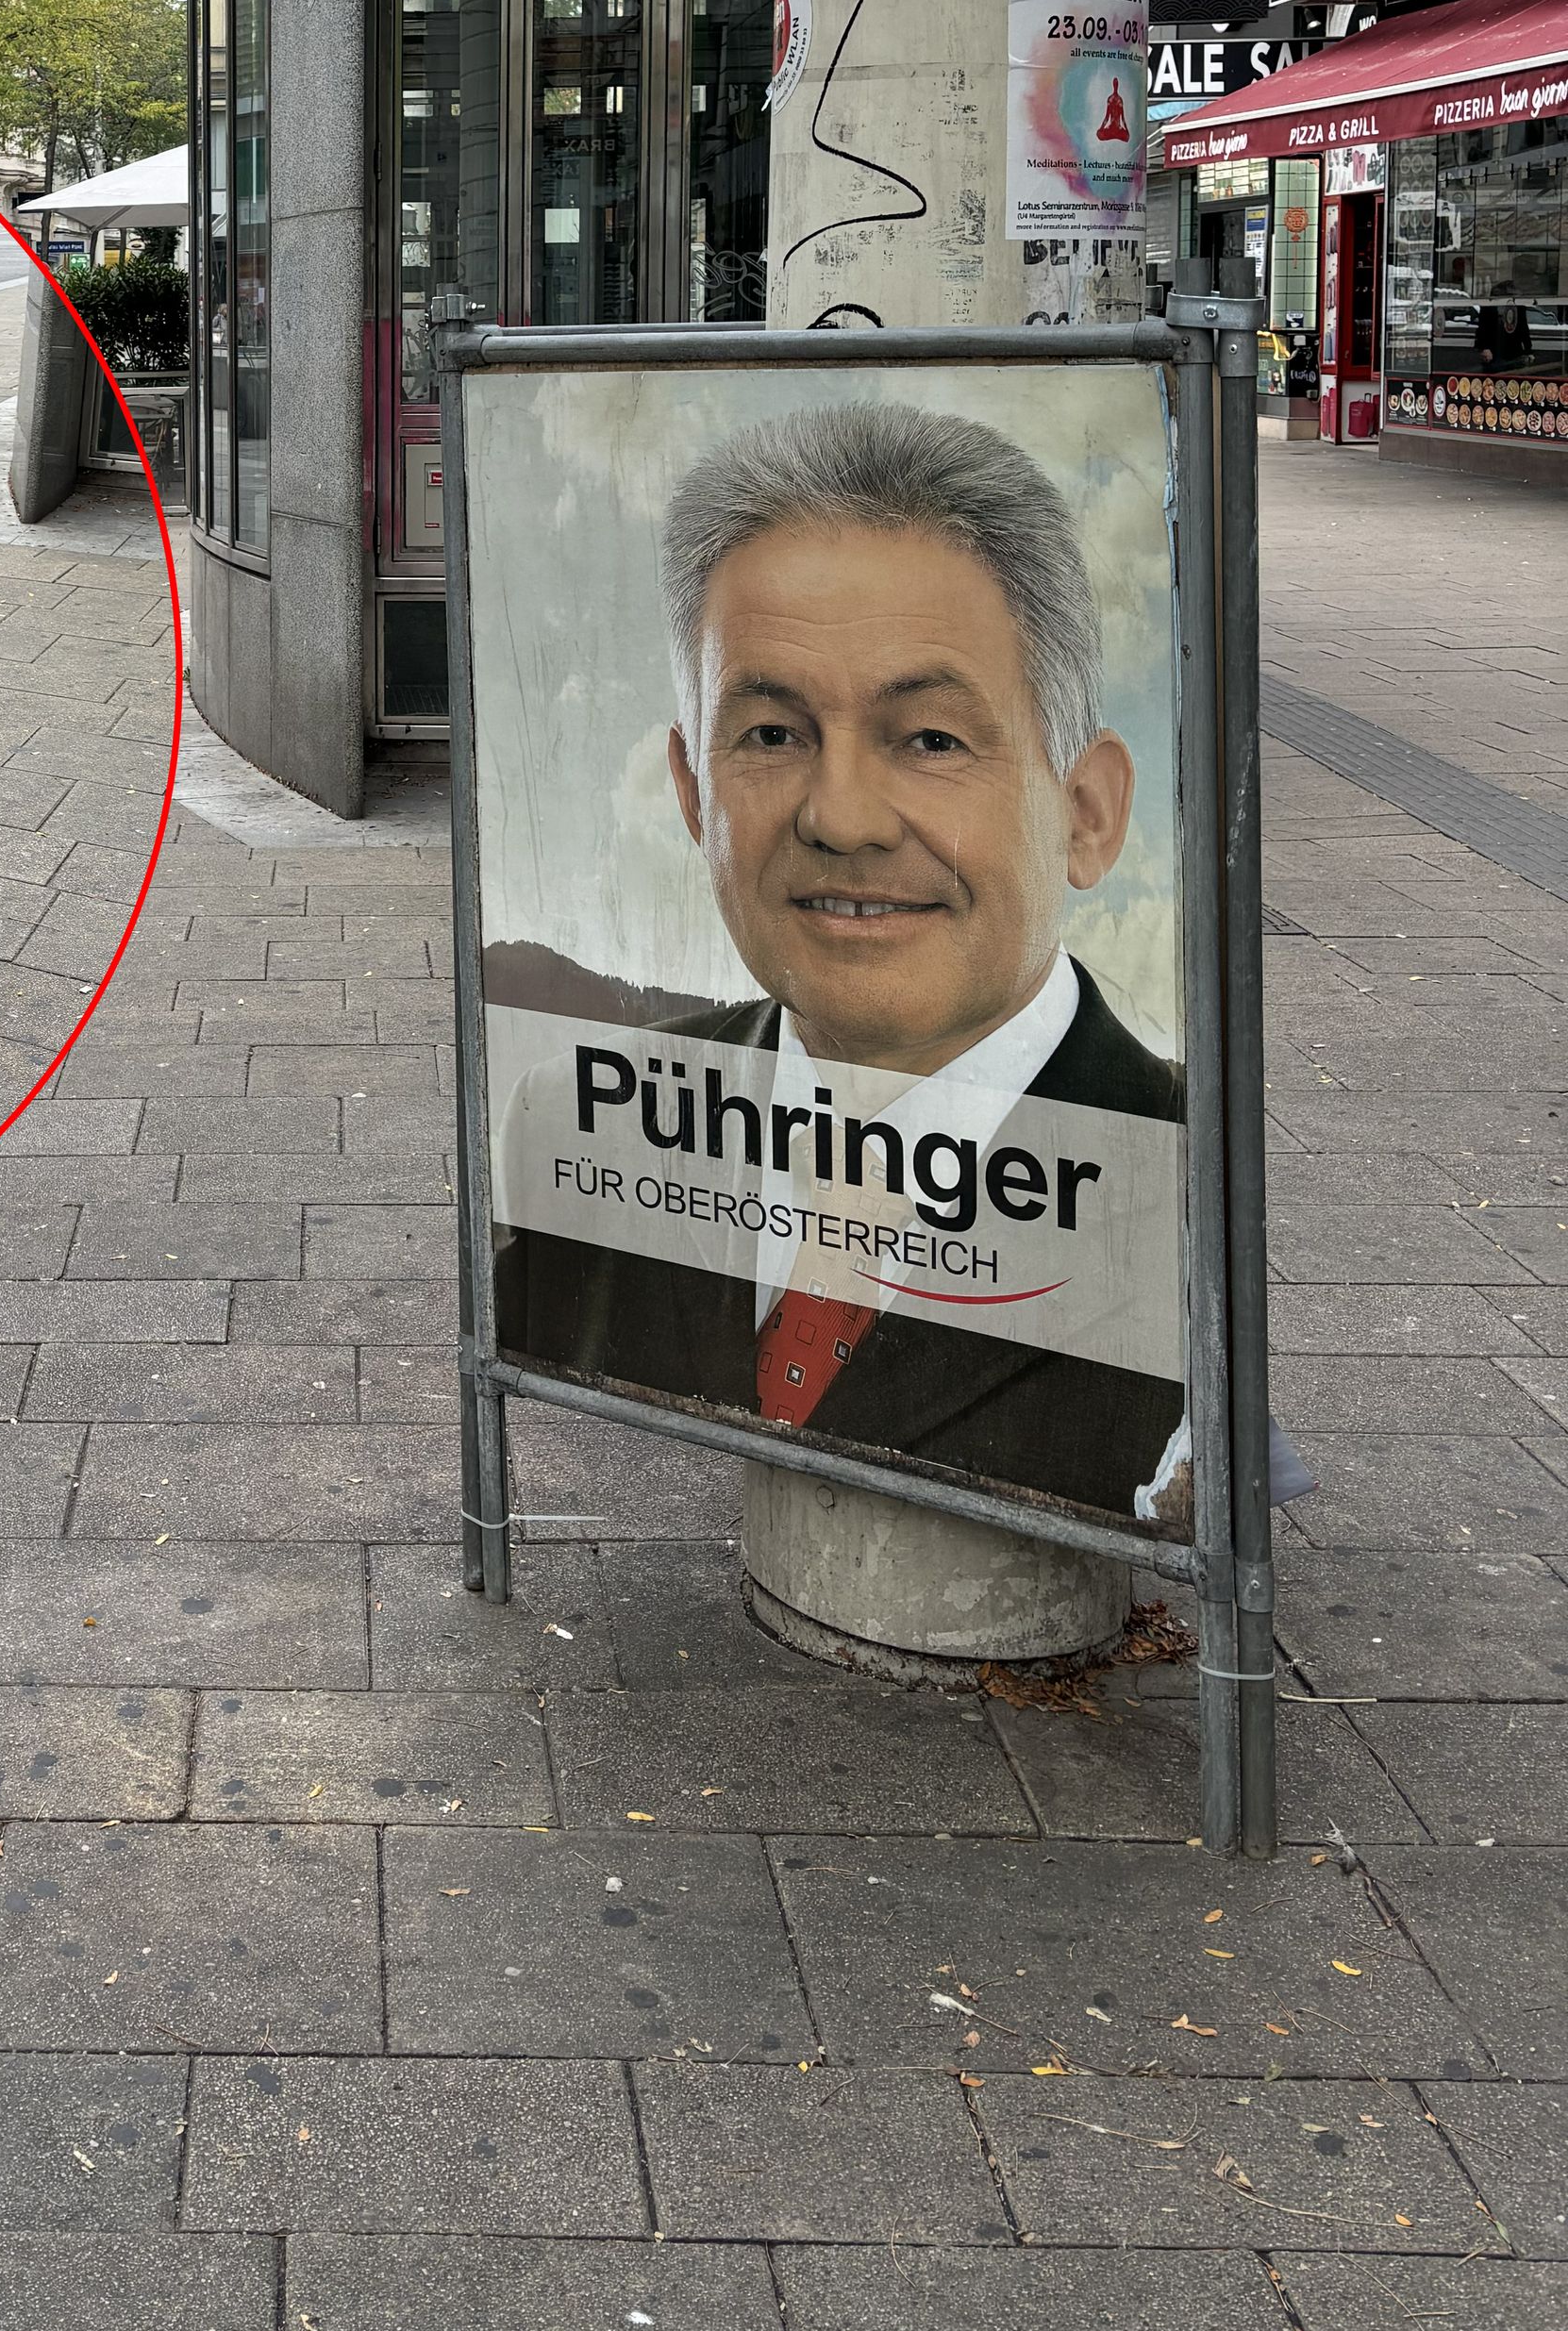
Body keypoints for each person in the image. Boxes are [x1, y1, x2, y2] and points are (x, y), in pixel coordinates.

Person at [491, 400, 1183, 1518]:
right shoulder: (576, 1130)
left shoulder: (1194, 1202)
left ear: (1087, 813)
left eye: (931, 739)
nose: (844, 817)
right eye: (772, 733)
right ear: (691, 789)